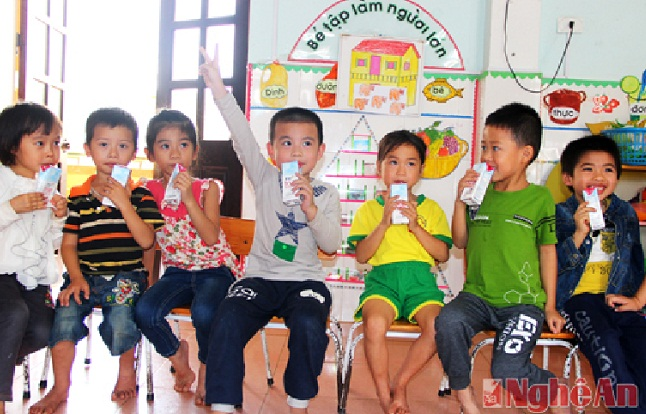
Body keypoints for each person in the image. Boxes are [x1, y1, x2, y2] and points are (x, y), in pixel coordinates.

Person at [199, 46, 341, 414]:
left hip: (305, 282)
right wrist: (218, 89)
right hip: (260, 278)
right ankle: (223, 402)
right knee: (227, 317)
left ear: (320, 151)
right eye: (286, 143)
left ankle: (298, 399)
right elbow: (240, 134)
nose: (296, 152)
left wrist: (310, 209)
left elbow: (331, 246)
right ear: (272, 149)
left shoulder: (326, 193)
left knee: (309, 323)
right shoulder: (264, 177)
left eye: (306, 143)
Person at [30, 108, 164, 414]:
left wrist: (124, 203)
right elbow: (68, 245)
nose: (113, 153)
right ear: (88, 149)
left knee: (121, 319)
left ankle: (126, 372)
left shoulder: (141, 196)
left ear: (134, 152)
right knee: (64, 317)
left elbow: (147, 241)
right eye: (104, 144)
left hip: (126, 275)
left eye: (122, 145)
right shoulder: (77, 199)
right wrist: (76, 277)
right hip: (84, 276)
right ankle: (60, 387)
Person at [435, 102, 567, 414]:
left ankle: (554, 390)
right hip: (477, 297)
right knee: (448, 321)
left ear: (525, 154)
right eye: (484, 147)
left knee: (507, 371)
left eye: (496, 148)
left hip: (522, 303)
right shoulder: (479, 193)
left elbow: (548, 251)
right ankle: (464, 395)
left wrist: (549, 305)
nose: (486, 156)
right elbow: (460, 241)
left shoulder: (539, 198)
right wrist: (460, 201)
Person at [135, 109, 240, 405]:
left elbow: (210, 236)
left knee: (205, 312)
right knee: (144, 311)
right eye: (164, 145)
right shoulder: (146, 191)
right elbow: (148, 243)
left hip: (214, 269)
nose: (174, 153)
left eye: (183, 145)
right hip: (177, 272)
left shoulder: (207, 188)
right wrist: (148, 282)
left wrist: (189, 198)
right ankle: (178, 358)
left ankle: (206, 367)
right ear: (150, 153)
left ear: (194, 152)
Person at [347, 130, 451, 414]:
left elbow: (442, 254)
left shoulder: (431, 209)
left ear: (421, 170)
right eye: (393, 162)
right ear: (379, 167)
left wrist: (416, 226)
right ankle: (384, 394)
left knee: (439, 326)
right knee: (374, 324)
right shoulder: (369, 210)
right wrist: (383, 223)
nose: (401, 171)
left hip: (421, 284)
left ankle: (400, 384)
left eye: (410, 163)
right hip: (383, 283)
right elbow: (362, 256)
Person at [555, 135, 646, 413]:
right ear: (568, 178)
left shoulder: (625, 213)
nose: (598, 177)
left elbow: (635, 261)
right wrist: (578, 233)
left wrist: (638, 301)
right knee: (606, 345)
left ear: (617, 177)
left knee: (641, 344)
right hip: (576, 301)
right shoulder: (559, 215)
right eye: (588, 169)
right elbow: (551, 267)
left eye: (608, 169)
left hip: (617, 298)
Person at [0, 103, 67, 414]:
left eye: (56, 143)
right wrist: (11, 208)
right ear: (13, 145)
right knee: (13, 313)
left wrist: (58, 218)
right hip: (1, 274)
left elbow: (50, 243)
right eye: (40, 143)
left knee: (43, 329)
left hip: (32, 279)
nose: (51, 151)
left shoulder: (47, 186)